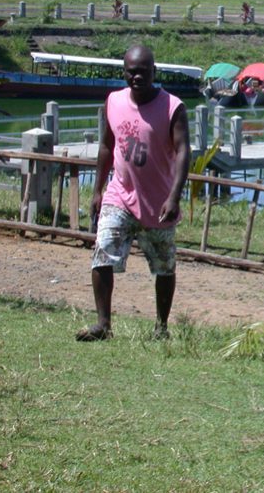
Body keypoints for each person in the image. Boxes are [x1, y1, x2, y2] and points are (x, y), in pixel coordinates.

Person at [76, 45, 191, 341]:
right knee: (103, 251)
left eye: (143, 71)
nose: (136, 77)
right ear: (124, 72)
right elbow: (106, 146)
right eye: (131, 71)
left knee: (163, 266)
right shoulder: (113, 101)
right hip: (120, 195)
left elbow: (182, 152)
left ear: (154, 72)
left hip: (158, 202)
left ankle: (161, 327)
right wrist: (98, 190)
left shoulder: (172, 107)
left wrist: (174, 196)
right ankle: (103, 325)